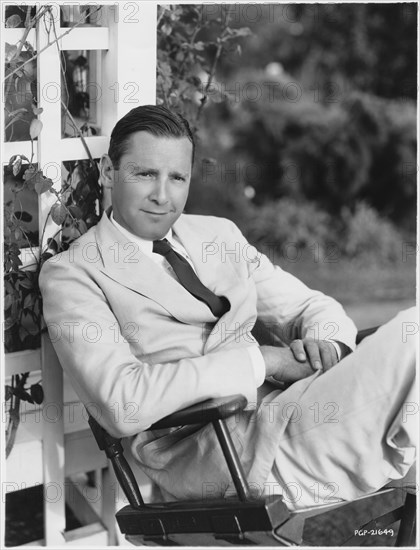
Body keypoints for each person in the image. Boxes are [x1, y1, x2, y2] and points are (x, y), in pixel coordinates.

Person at [40, 105, 417, 510]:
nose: (162, 196)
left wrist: (327, 345)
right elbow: (121, 402)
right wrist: (263, 363)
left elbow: (310, 306)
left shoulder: (218, 234)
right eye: (145, 174)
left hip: (302, 405)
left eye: (177, 177)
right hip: (228, 452)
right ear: (108, 172)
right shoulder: (73, 274)